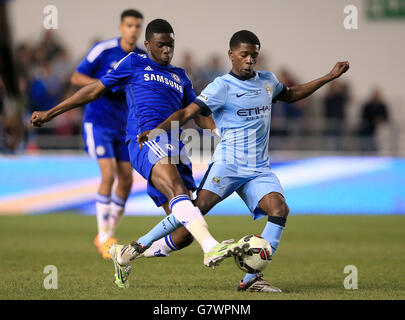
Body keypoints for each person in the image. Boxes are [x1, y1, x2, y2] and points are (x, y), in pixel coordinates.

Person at [30, 19, 249, 288]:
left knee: (182, 234)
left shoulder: (180, 76)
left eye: (171, 45)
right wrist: (51, 113)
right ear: (148, 45)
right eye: (161, 45)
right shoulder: (134, 63)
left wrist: (221, 130)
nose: (167, 50)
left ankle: (126, 253)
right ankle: (211, 246)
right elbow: (95, 90)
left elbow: (197, 115)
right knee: (178, 191)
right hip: (147, 139)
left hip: (176, 147)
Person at [136, 30, 350, 292]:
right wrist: (158, 129)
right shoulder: (221, 87)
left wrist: (329, 76)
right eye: (245, 55)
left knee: (279, 209)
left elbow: (292, 94)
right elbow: (187, 112)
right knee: (194, 210)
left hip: (259, 169)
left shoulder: (268, 81)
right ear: (232, 55)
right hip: (228, 164)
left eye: (254, 55)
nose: (250, 60)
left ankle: (251, 280)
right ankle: (141, 245)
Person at [68, 9, 145, 259]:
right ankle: (103, 236)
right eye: (129, 25)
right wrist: (103, 84)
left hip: (125, 126)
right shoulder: (103, 50)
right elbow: (76, 76)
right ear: (121, 27)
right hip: (98, 121)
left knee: (126, 180)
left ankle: (109, 232)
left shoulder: (141, 58)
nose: (133, 30)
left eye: (137, 26)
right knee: (109, 174)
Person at [358, 88, 389, 152]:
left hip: (380, 130)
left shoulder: (382, 106)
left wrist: (380, 120)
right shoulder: (368, 106)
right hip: (368, 130)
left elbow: (386, 117)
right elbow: (363, 117)